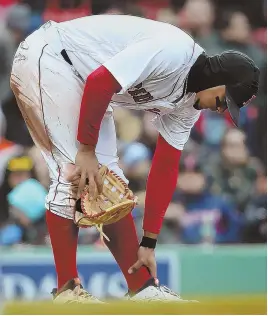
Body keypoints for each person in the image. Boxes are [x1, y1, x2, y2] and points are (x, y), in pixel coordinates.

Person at [10, 15, 260, 303]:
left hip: (86, 82)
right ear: (218, 79)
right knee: (74, 173)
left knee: (109, 180)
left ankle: (141, 288)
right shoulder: (172, 51)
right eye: (222, 101)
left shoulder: (189, 105)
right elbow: (100, 81)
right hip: (52, 57)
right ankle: (66, 290)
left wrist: (149, 243)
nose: (220, 111)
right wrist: (87, 150)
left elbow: (165, 167)